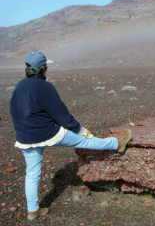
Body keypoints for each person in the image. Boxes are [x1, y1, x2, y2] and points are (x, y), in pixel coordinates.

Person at [10, 51, 132, 221]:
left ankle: (33, 211)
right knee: (83, 140)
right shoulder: (45, 87)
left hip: (25, 137)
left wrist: (23, 133)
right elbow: (61, 115)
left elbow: (14, 112)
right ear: (43, 68)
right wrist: (80, 129)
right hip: (48, 133)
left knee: (32, 173)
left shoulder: (19, 87)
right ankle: (115, 143)